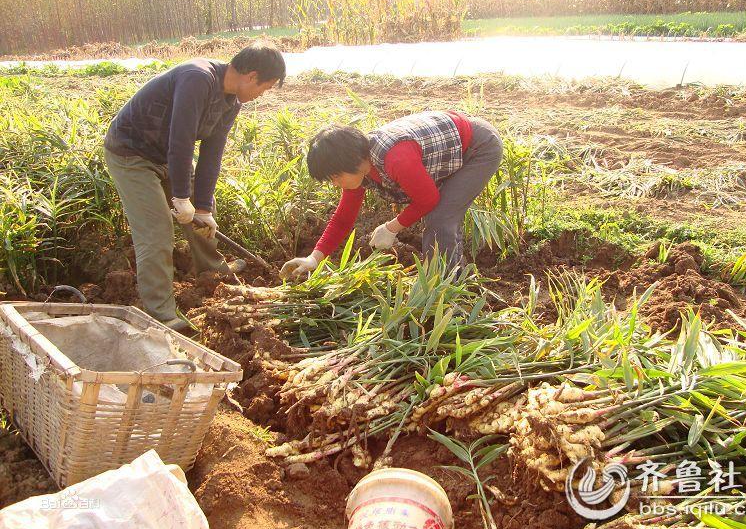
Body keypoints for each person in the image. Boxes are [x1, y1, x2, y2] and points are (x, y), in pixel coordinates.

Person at [104, 41, 285, 331]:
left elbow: (212, 153)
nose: (261, 95)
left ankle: (212, 270)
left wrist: (200, 205)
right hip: (132, 154)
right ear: (251, 76)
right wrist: (179, 197)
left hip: (166, 155)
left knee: (204, 214)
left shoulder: (231, 101)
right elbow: (182, 139)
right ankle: (161, 313)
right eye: (263, 88)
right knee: (157, 231)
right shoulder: (197, 78)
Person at [280, 111, 503, 279]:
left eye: (336, 177)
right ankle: (450, 276)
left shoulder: (395, 157)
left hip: (478, 147)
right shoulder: (361, 167)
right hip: (449, 150)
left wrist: (391, 228)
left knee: (440, 216)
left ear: (352, 162)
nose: (337, 184)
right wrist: (313, 258)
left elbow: (428, 199)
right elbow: (342, 219)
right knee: (442, 214)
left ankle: (444, 286)